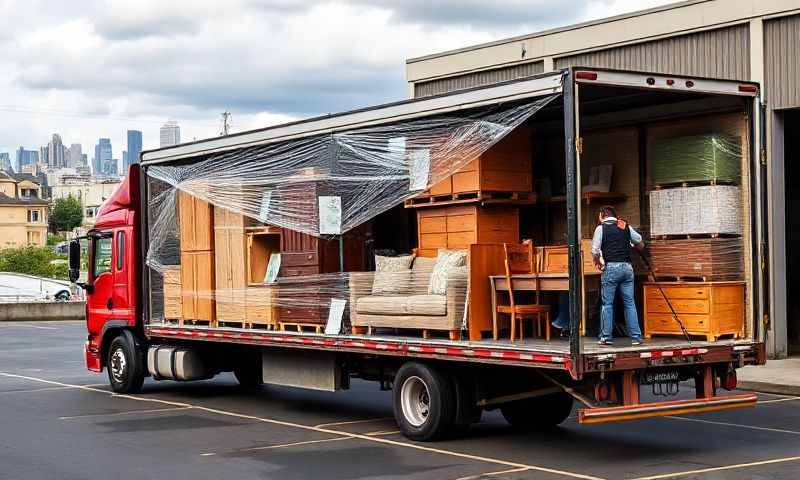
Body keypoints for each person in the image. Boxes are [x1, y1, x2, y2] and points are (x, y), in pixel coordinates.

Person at [591, 206, 644, 346]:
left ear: (602, 215)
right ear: (616, 216)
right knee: (630, 303)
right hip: (627, 268)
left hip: (611, 268)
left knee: (607, 304)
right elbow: (639, 240)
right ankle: (636, 338)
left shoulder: (600, 229)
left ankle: (606, 337)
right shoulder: (624, 226)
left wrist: (598, 261)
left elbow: (595, 250)